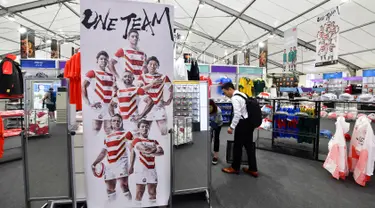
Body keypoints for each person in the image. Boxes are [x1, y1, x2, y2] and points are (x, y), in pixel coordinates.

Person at [91, 114, 134, 201]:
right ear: (111, 123)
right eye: (114, 121)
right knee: (110, 189)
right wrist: (94, 163)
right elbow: (103, 152)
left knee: (124, 186)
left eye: (118, 121)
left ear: (121, 122)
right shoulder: (107, 137)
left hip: (122, 164)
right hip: (109, 166)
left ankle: (130, 205)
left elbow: (132, 151)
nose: (116, 122)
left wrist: (131, 165)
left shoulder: (127, 133)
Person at [220, 82, 258, 177]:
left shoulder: (235, 98)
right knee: (249, 147)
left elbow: (237, 114)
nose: (225, 95)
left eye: (225, 92)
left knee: (237, 146)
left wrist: (231, 127)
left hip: (242, 124)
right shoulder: (242, 94)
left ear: (229, 89)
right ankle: (253, 169)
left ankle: (235, 168)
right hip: (249, 123)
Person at [129, 120, 164, 206]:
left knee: (152, 193)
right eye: (142, 127)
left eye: (146, 127)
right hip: (141, 169)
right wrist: (154, 150)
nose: (145, 129)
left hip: (152, 170)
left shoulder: (154, 141)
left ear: (149, 128)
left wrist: (150, 151)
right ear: (139, 129)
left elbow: (161, 152)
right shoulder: (136, 140)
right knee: (139, 193)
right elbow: (144, 149)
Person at [82, 51, 116, 135]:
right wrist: (88, 103)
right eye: (101, 59)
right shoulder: (92, 72)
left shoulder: (111, 75)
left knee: (109, 130)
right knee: (96, 129)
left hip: (109, 106)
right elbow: (83, 86)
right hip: (98, 106)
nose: (103, 61)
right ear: (97, 60)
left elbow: (114, 90)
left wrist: (115, 101)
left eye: (105, 59)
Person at [138, 56, 173, 136]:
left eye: (155, 65)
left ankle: (163, 146)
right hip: (146, 108)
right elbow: (140, 90)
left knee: (164, 132)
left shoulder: (163, 77)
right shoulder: (142, 77)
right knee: (143, 132)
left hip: (159, 107)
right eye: (150, 64)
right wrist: (151, 84)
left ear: (157, 66)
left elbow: (172, 89)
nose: (152, 66)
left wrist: (169, 101)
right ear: (147, 65)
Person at [209, 99, 223, 165]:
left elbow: (216, 123)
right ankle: (208, 150)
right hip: (210, 123)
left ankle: (215, 156)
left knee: (216, 138)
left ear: (213, 106)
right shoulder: (206, 110)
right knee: (209, 137)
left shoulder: (218, 111)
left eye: (210, 107)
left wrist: (210, 128)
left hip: (218, 124)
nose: (208, 108)